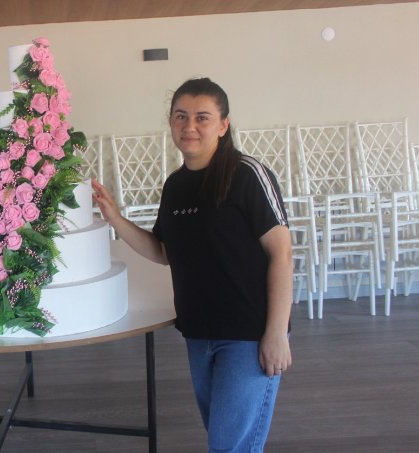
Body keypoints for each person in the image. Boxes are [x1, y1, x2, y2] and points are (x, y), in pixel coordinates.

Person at [92, 77, 293, 452]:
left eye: (203, 117)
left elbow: (281, 253)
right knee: (223, 437)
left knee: (228, 446)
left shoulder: (247, 174)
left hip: (248, 333)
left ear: (223, 125)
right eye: (181, 116)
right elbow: (164, 251)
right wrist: (116, 219)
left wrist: (277, 333)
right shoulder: (175, 186)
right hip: (199, 333)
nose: (190, 126)